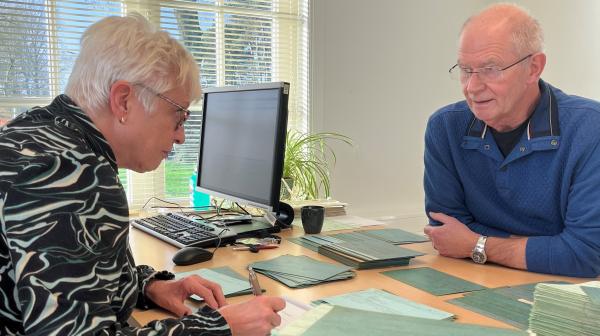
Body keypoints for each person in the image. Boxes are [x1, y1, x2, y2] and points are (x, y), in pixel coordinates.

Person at [0, 13, 285, 335]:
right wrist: (219, 328)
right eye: (178, 116)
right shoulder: (70, 173)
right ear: (123, 101)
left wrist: (145, 285)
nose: (181, 137)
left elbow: (60, 275)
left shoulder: (37, 133)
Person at [424, 3, 600, 278]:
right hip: (475, 281)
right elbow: (445, 234)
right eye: (465, 69)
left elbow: (585, 254)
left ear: (533, 68)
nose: (472, 87)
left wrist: (476, 243)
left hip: (566, 298)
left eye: (490, 69)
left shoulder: (591, 128)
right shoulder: (445, 127)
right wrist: (548, 246)